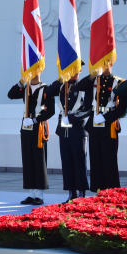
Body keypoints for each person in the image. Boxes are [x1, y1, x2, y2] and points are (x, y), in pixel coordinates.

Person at [74, 65, 127, 192]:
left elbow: (122, 107)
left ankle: (111, 191)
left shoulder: (118, 82)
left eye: (106, 63)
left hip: (108, 126)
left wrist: (106, 117)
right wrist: (92, 75)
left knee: (109, 160)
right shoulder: (93, 80)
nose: (104, 66)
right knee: (95, 159)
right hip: (94, 125)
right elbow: (78, 86)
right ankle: (97, 190)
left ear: (112, 63)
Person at [8, 69, 55, 205]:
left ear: (40, 70)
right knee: (28, 159)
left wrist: (35, 120)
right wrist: (21, 81)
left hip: (39, 127)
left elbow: (50, 110)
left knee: (39, 160)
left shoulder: (46, 89)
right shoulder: (25, 87)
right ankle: (31, 193)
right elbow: (10, 95)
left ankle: (39, 195)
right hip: (26, 128)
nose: (33, 73)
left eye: (35, 69)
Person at [46, 62, 92, 202]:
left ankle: (81, 193)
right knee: (67, 162)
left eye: (75, 68)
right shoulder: (62, 85)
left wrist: (71, 118)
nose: (73, 71)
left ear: (80, 69)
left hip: (78, 129)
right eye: (70, 68)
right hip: (63, 131)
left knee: (79, 162)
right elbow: (48, 92)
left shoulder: (84, 85)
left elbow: (88, 109)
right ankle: (71, 192)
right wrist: (61, 79)